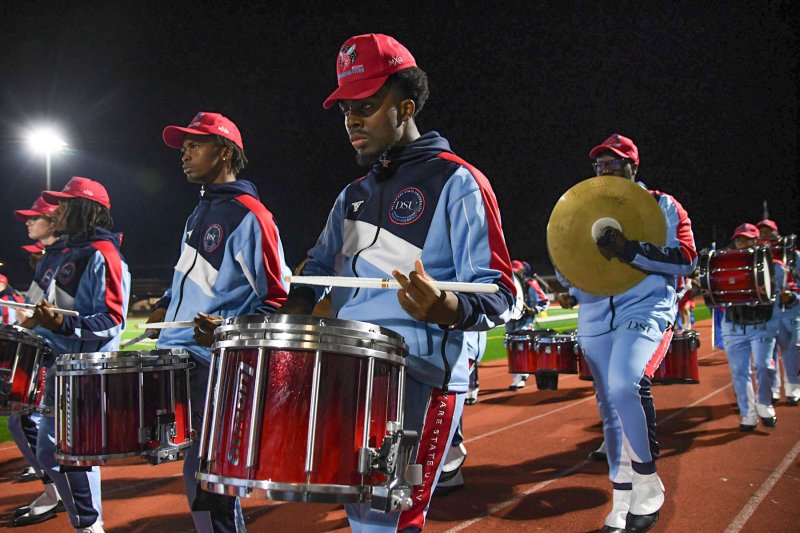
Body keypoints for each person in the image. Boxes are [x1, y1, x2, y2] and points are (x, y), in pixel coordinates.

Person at [280, 33, 514, 532]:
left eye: (366, 105)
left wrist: (444, 307)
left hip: (421, 374)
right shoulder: (351, 196)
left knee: (391, 519)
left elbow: (500, 293)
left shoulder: (459, 182)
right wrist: (280, 313)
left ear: (406, 107)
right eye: (346, 110)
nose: (352, 121)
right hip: (348, 368)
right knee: (361, 512)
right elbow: (315, 272)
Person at [149, 111, 290, 533]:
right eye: (184, 147)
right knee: (197, 474)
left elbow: (277, 300)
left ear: (225, 151)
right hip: (181, 356)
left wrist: (227, 330)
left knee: (213, 482)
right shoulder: (199, 214)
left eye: (195, 145)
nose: (184, 155)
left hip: (216, 366)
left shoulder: (251, 215)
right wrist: (163, 304)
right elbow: (186, 282)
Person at [558, 133, 697, 532]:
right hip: (595, 314)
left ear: (633, 166)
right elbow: (573, 258)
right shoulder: (583, 208)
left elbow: (686, 259)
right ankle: (620, 506)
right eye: (600, 163)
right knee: (610, 413)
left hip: (645, 309)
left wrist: (630, 249)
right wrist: (572, 290)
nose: (606, 169)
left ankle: (649, 482)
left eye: (614, 162)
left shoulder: (661, 205)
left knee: (625, 384)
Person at [18, 176, 130, 533]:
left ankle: (88, 525)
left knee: (69, 453)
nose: (58, 211)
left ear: (85, 210)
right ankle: (85, 521)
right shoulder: (65, 254)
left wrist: (62, 326)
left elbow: (112, 319)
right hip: (58, 367)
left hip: (86, 371)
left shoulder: (104, 254)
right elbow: (45, 311)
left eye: (65, 205)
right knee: (53, 451)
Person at [4, 196, 60, 492]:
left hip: (53, 359)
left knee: (29, 423)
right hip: (42, 354)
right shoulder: (48, 266)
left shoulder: (64, 262)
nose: (27, 222)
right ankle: (52, 487)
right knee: (24, 424)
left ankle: (55, 490)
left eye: (34, 217)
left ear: (54, 221)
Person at [720, 223, 789, 429]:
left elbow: (775, 298)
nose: (743, 244)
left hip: (762, 324)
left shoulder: (775, 266)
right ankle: (747, 413)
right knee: (739, 372)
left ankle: (764, 402)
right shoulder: (726, 264)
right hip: (734, 325)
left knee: (764, 366)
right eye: (740, 239)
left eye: (748, 239)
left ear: (757, 241)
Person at [756, 218, 800, 404]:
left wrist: (793, 296)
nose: (765, 235)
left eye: (769, 231)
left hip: (789, 309)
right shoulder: (755, 256)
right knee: (767, 353)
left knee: (793, 348)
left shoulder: (793, 255)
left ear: (777, 233)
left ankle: (794, 387)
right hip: (765, 311)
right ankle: (773, 389)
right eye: (761, 232)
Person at [506, 259, 550, 390]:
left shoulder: (531, 284)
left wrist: (534, 310)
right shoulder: (507, 284)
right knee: (512, 348)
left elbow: (544, 300)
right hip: (511, 321)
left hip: (525, 321)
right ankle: (522, 372)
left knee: (519, 347)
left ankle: (518, 378)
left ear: (522, 271)